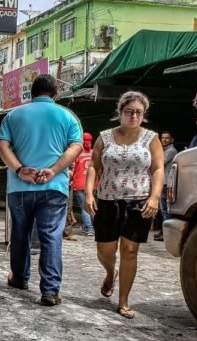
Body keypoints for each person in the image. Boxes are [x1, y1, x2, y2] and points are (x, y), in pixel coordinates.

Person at [0, 74, 83, 306]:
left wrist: (19, 169)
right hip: (54, 187)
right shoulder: (67, 116)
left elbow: (2, 145)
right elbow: (76, 146)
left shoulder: (14, 115)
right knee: (51, 236)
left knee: (20, 233)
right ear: (56, 94)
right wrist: (53, 170)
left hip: (20, 187)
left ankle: (19, 278)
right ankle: (50, 291)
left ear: (31, 94)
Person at [84, 91, 165, 319]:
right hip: (107, 201)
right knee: (105, 251)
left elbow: (158, 169)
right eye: (129, 112)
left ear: (144, 114)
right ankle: (110, 273)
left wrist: (154, 197)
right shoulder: (105, 137)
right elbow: (93, 166)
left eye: (139, 112)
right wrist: (89, 193)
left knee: (130, 251)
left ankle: (123, 301)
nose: (134, 116)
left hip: (138, 202)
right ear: (120, 112)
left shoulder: (151, 138)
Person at [153, 131, 178, 241]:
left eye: (167, 138)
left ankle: (167, 234)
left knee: (166, 209)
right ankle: (163, 232)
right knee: (163, 209)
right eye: (163, 138)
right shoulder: (164, 150)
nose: (164, 140)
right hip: (163, 183)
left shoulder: (171, 151)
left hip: (167, 183)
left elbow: (159, 162)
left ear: (172, 140)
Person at [72, 132, 94, 236]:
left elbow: (72, 168)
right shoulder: (94, 152)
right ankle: (93, 227)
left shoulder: (77, 153)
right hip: (92, 183)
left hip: (79, 183)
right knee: (91, 205)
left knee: (84, 207)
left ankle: (89, 229)